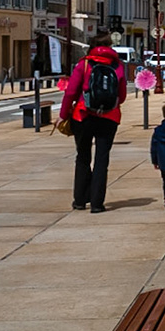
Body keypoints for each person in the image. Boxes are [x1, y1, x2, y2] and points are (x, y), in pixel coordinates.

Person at [61, 33, 126, 213]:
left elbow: (71, 92)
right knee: (101, 160)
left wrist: (62, 114)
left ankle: (80, 200)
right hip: (109, 117)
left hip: (83, 115)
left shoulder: (85, 64)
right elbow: (122, 96)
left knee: (82, 157)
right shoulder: (117, 65)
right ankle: (97, 204)